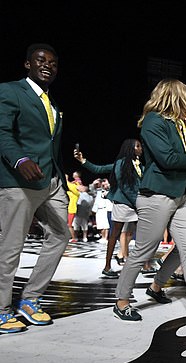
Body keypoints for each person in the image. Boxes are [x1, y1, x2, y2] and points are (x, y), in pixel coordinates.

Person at [113, 79, 186, 322]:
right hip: (157, 195)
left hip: (181, 196)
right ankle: (121, 300)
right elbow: (167, 159)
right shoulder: (154, 121)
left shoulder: (177, 125)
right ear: (174, 95)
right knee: (145, 250)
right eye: (185, 96)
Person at [0, 43, 68, 333]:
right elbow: (2, 131)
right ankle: (1, 310)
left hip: (50, 181)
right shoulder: (10, 90)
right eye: (41, 60)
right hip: (19, 181)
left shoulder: (51, 103)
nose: (47, 65)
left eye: (53, 62)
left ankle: (29, 300)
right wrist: (19, 159)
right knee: (11, 247)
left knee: (61, 236)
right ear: (27, 64)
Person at [75, 139, 144, 277]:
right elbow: (99, 170)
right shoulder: (121, 163)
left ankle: (140, 263)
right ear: (130, 148)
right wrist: (83, 161)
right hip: (124, 203)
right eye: (138, 146)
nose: (141, 148)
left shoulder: (140, 165)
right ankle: (107, 266)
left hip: (136, 204)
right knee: (115, 234)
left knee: (138, 234)